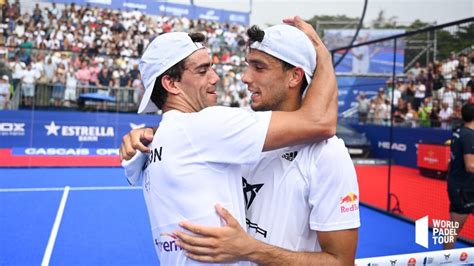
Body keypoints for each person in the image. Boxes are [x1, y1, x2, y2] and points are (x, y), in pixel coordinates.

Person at [121, 18, 358, 265]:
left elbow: (342, 262)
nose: (243, 78)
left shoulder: (328, 155)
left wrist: (252, 250)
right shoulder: (224, 133)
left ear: (294, 76)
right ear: (170, 84)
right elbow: (320, 121)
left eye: (259, 67)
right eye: (203, 71)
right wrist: (323, 55)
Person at [444, 103, 474, 250]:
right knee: (454, 227)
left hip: (460, 185)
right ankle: (447, 260)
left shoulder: (458, 132)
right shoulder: (468, 136)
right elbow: (470, 166)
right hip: (463, 189)